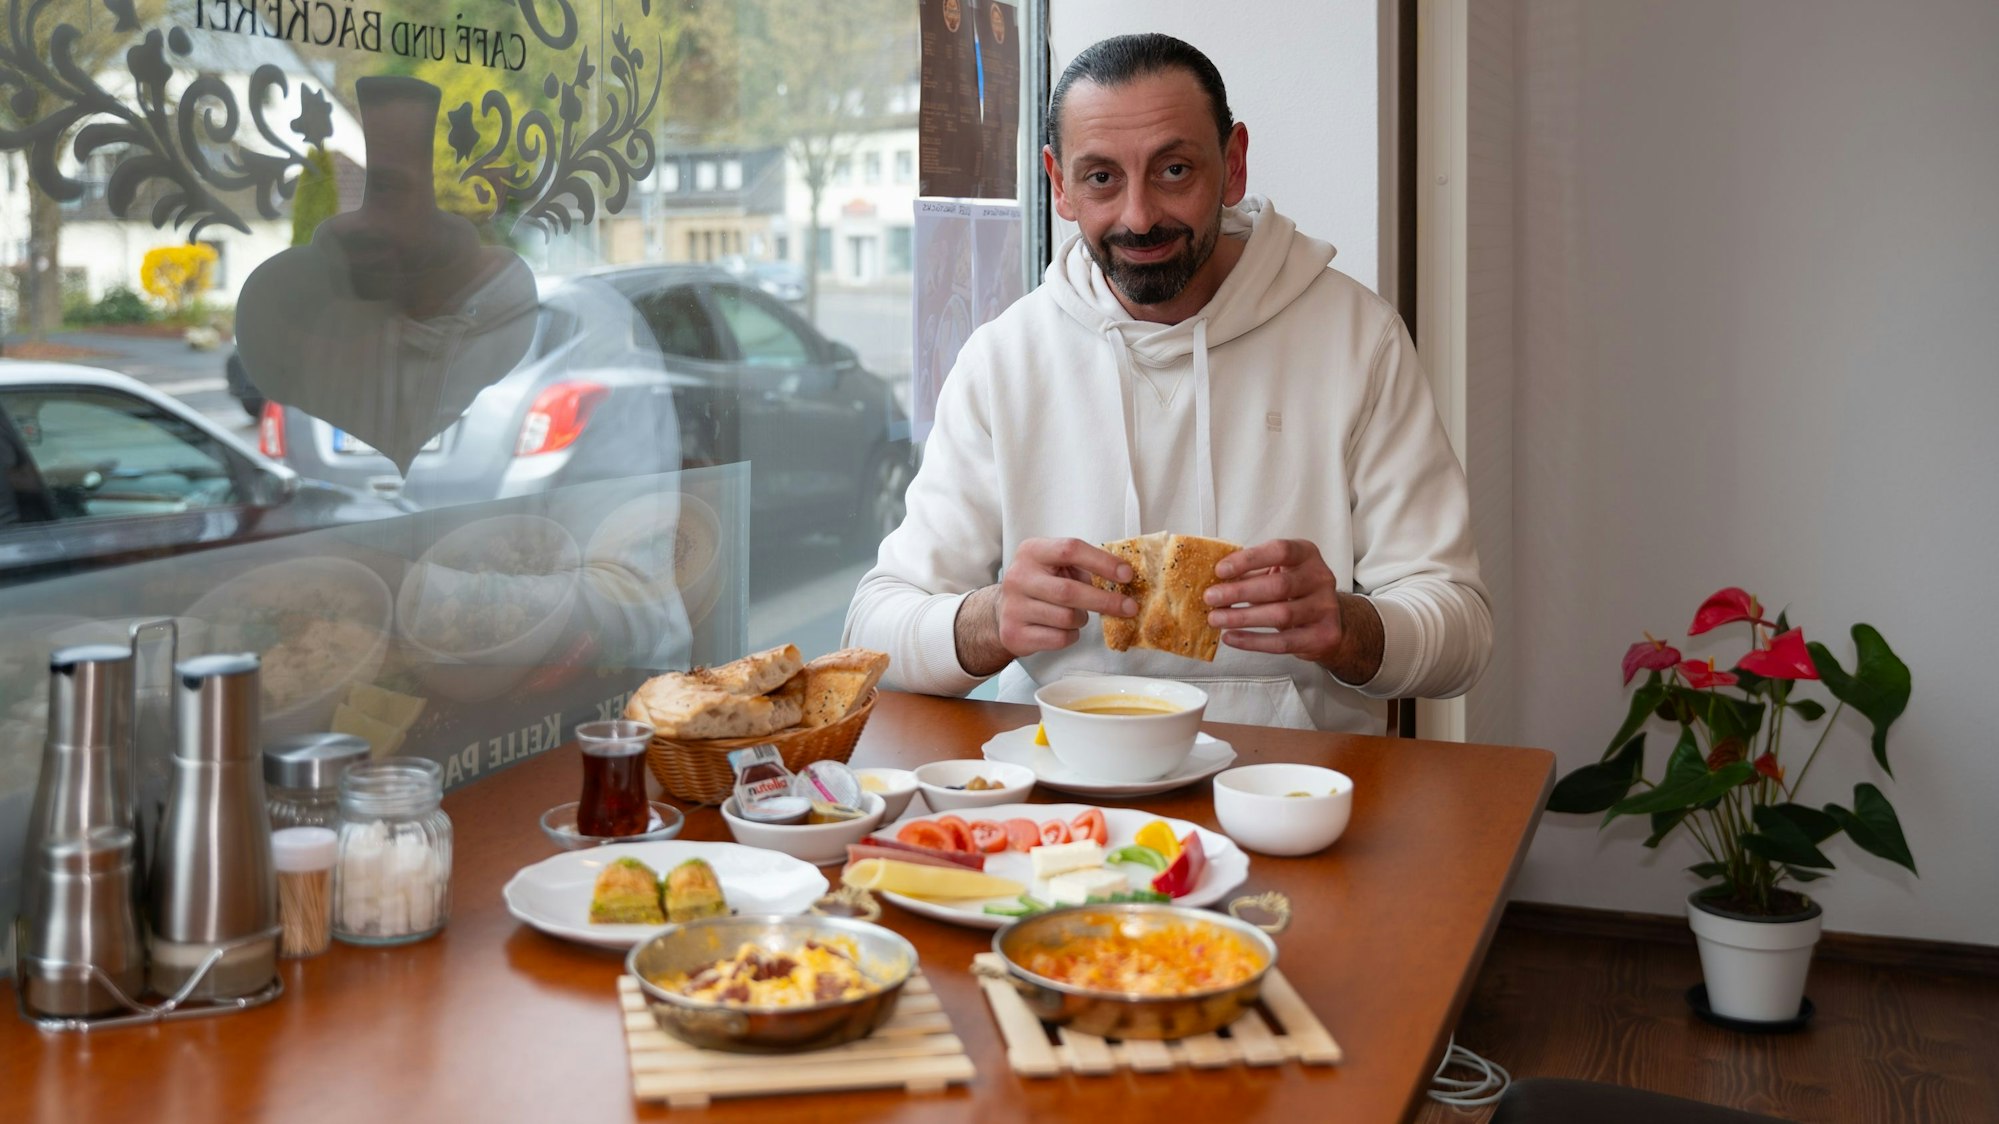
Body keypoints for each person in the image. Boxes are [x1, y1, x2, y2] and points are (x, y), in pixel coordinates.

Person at [844, 33, 1490, 731]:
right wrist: (989, 618)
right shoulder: (1003, 360)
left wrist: (1347, 626)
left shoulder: (1357, 338)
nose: (1139, 215)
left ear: (1233, 164)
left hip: (1290, 791)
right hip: (1064, 796)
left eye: (1174, 170)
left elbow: (1461, 634)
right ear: (1058, 184)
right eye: (1101, 179)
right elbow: (872, 632)